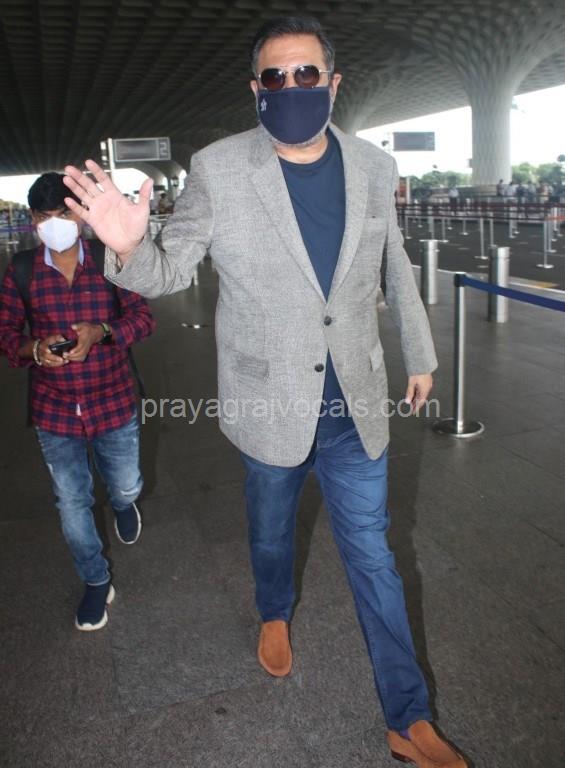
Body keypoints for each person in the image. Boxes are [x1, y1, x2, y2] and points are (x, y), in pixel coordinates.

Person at [62, 16, 468, 767]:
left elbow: (395, 263)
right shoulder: (220, 168)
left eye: (305, 73)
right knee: (272, 533)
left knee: (373, 556)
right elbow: (170, 270)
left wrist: (419, 352)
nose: (290, 87)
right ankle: (273, 610)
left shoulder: (373, 166)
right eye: (274, 77)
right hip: (268, 401)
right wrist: (128, 246)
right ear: (256, 90)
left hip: (354, 402)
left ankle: (407, 718)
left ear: (332, 84)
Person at [0, 173, 155, 631]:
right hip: (55, 409)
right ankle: (95, 581)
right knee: (71, 503)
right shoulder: (22, 271)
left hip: (112, 399)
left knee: (125, 484)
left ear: (81, 216)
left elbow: (143, 319)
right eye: (46, 217)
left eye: (65, 215)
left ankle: (124, 503)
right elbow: (6, 334)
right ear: (33, 220)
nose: (56, 224)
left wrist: (102, 332)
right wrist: (35, 349)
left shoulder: (110, 260)